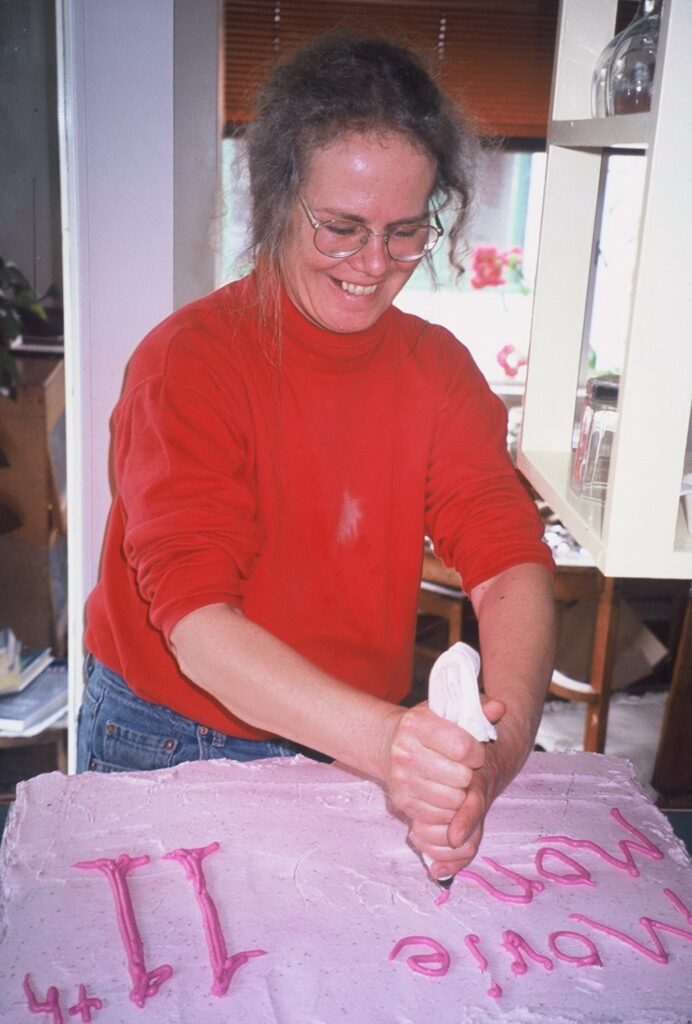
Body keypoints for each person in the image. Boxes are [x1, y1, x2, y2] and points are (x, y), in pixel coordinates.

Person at [77, 33, 557, 883]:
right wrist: (392, 743)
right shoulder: (188, 364)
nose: (373, 265)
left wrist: (497, 750)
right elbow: (198, 625)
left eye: (405, 233)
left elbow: (507, 559)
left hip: (353, 731)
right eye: (341, 229)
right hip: (170, 734)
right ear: (276, 199)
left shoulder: (438, 370)